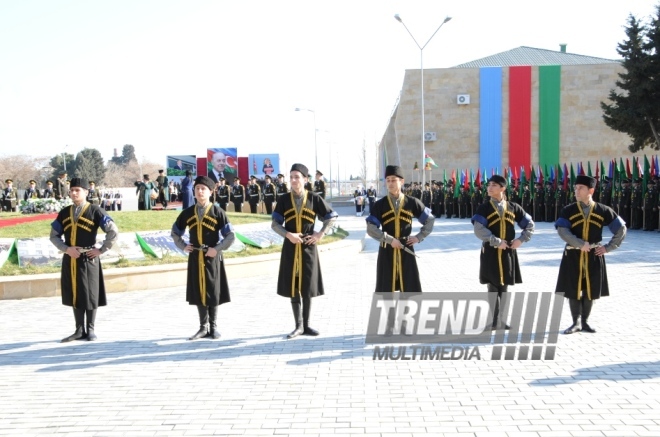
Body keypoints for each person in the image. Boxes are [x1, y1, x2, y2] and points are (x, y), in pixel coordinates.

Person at [272, 163, 337, 339]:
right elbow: (275, 224)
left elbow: (332, 217)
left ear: (305, 179)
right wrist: (288, 234)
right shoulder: (284, 199)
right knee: (293, 284)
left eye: (297, 177)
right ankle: (298, 325)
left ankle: (307, 325)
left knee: (307, 285)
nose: (293, 180)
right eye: (291, 177)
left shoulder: (314, 198)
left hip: (308, 248)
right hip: (291, 248)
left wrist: (320, 234)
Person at [555, 175, 626, 334]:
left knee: (590, 288)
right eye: (575, 188)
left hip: (594, 255)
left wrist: (608, 247)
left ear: (591, 190)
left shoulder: (603, 210)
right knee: (573, 287)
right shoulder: (569, 210)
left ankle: (585, 322)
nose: (576, 191)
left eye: (580, 188)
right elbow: (562, 231)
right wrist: (580, 244)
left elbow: (621, 229)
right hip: (573, 255)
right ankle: (576, 322)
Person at [49, 178, 119, 342]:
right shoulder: (65, 212)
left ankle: (91, 329)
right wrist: (66, 249)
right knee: (75, 292)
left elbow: (113, 232)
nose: (74, 193)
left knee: (90, 293)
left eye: (77, 190)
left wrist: (101, 249)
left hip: (88, 258)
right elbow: (54, 235)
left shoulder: (96, 211)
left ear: (86, 192)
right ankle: (79, 329)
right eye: (72, 190)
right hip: (71, 258)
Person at [171, 176, 235, 340]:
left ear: (211, 192)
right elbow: (175, 232)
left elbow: (230, 236)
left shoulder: (218, 212)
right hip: (195, 257)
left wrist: (217, 249)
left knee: (212, 290)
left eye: (203, 189)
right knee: (198, 290)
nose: (200, 191)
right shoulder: (187, 213)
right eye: (197, 188)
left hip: (212, 257)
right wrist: (183, 246)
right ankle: (202, 327)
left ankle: (213, 327)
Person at [472, 175, 535, 330]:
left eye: (494, 185)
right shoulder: (484, 207)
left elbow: (530, 224)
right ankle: (493, 321)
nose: (490, 187)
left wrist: (521, 240)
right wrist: (496, 241)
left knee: (504, 285)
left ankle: (501, 320)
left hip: (508, 252)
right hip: (491, 251)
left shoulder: (514, 207)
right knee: (493, 285)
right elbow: (479, 229)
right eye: (489, 185)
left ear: (502, 188)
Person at [366, 165, 435, 294]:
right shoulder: (379, 205)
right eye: (388, 180)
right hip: (387, 249)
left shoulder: (412, 202)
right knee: (386, 289)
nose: (390, 183)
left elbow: (429, 220)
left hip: (406, 248)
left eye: (394, 180)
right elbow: (370, 228)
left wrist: (419, 237)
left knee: (409, 288)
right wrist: (389, 240)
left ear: (401, 181)